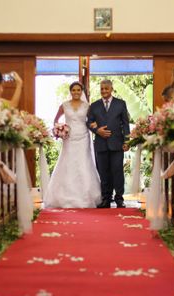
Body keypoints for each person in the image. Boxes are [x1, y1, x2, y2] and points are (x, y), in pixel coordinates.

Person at [42, 82, 101, 208]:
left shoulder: (87, 106)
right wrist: (59, 130)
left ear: (82, 91)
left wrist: (97, 127)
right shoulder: (64, 105)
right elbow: (56, 120)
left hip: (83, 137)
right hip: (68, 138)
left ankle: (86, 195)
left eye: (78, 90)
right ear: (70, 91)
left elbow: (92, 121)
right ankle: (64, 196)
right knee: (68, 163)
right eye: (73, 90)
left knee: (83, 163)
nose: (76, 92)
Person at [86, 79, 131, 208]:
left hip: (117, 143)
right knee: (103, 172)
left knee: (117, 172)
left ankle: (119, 199)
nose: (104, 91)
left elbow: (125, 124)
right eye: (102, 89)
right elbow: (89, 122)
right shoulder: (94, 105)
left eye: (106, 88)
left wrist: (127, 141)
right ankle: (106, 199)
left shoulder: (121, 104)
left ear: (111, 89)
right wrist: (97, 130)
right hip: (100, 144)